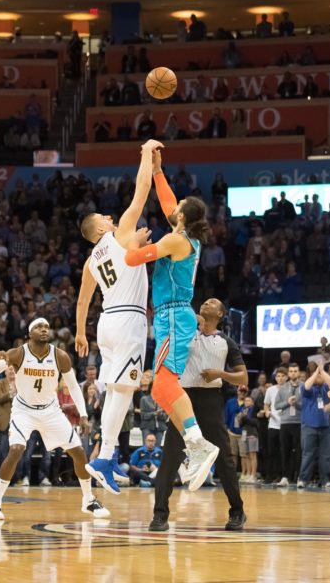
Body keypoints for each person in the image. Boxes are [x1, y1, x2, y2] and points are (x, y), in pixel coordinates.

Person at [121, 147, 221, 493]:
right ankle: (195, 445)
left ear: (181, 217)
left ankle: (199, 443)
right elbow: (168, 204)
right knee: (162, 391)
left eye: (177, 209)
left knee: (162, 386)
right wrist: (159, 172)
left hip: (174, 316)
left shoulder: (174, 241)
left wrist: (128, 242)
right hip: (171, 317)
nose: (171, 209)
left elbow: (134, 259)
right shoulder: (183, 236)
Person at [77, 139, 161, 494]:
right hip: (127, 320)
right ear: (99, 230)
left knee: (116, 390)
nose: (111, 218)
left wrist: (81, 333)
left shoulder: (90, 261)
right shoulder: (121, 234)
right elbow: (141, 191)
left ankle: (107, 459)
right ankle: (104, 456)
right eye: (104, 219)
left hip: (105, 323)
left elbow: (82, 302)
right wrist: (145, 153)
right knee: (125, 391)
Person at [0, 319, 109, 520]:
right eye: (38, 327)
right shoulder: (18, 353)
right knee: (16, 449)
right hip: (24, 410)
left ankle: (89, 500)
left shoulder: (60, 356)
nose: (44, 329)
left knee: (78, 452)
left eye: (46, 327)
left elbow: (74, 387)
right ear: (29, 333)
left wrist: (84, 415)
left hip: (51, 411)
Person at [150, 298, 247, 532]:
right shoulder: (186, 331)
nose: (206, 303)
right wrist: (191, 319)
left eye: (213, 303)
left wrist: (220, 374)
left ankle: (237, 512)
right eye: (204, 302)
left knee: (224, 460)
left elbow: (243, 378)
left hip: (211, 402)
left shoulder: (226, 342)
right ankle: (159, 515)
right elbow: (174, 317)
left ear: (221, 314)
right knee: (170, 458)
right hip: (183, 399)